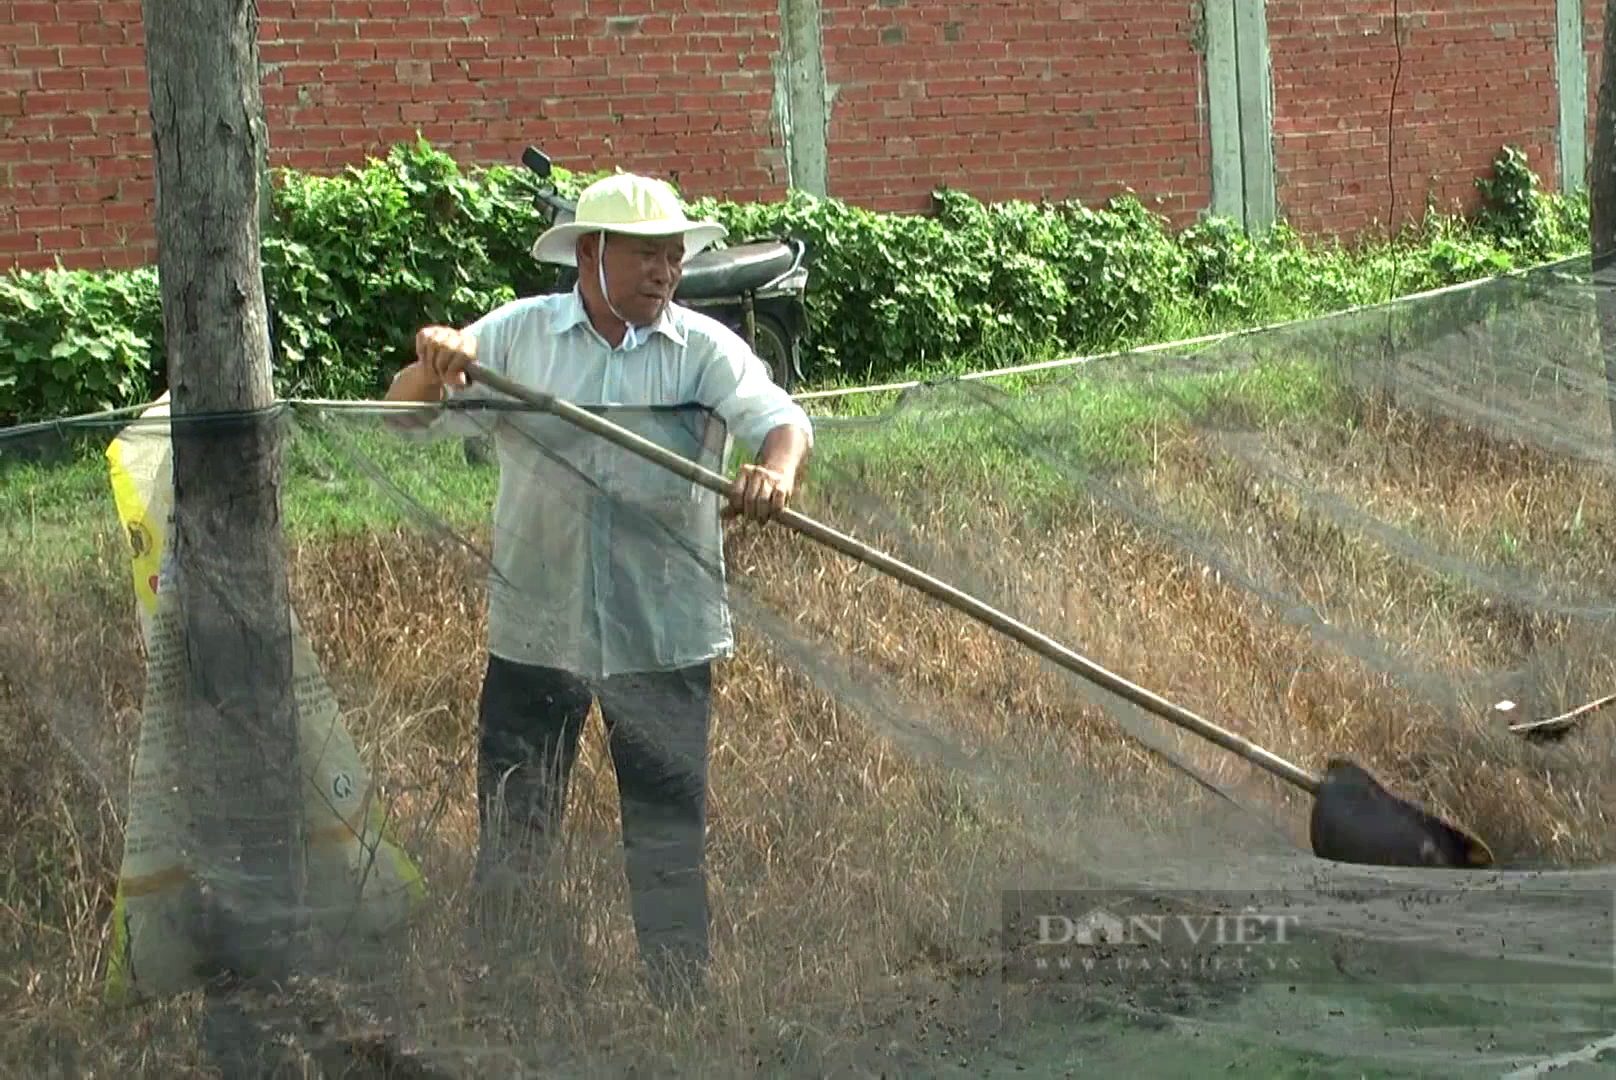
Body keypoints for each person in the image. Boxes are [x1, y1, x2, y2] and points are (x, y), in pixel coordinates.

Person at [383, 171, 814, 1003]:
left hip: (664, 630)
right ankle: (509, 1001)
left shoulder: (703, 349)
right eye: (648, 255)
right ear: (592, 253)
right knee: (517, 826)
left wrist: (774, 470)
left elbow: (782, 419)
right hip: (539, 628)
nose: (666, 273)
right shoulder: (519, 336)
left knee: (667, 832)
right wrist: (435, 363)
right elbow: (403, 415)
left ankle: (679, 1006)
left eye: (674, 257)